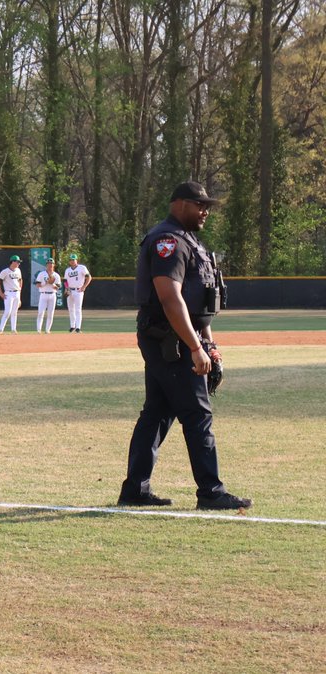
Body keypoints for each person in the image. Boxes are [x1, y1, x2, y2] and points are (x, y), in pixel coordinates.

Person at [119, 181, 251, 510]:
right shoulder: (168, 241)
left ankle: (135, 489)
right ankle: (211, 491)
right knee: (197, 414)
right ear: (178, 204)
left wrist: (210, 343)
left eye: (207, 205)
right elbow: (169, 297)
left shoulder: (190, 241)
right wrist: (195, 347)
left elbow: (199, 302)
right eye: (199, 204)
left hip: (180, 335)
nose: (205, 210)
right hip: (169, 338)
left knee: (158, 412)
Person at [0, 255, 24, 334]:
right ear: (13, 262)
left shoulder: (18, 270)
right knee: (7, 312)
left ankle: (13, 329)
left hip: (17, 293)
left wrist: (20, 293)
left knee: (14, 312)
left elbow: (20, 280)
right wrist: (1, 293)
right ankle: (1, 330)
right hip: (8, 293)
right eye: (17, 262)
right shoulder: (5, 271)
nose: (19, 263)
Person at [64, 254, 92, 332]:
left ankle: (78, 327)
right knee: (70, 309)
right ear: (69, 261)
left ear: (77, 260)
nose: (72, 261)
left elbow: (89, 277)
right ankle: (72, 326)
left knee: (78, 309)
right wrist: (66, 288)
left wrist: (84, 287)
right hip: (70, 290)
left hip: (78, 290)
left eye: (74, 259)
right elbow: (65, 281)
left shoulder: (81, 268)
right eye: (71, 260)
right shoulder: (67, 270)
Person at [35, 257, 62, 334]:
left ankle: (47, 330)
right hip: (43, 294)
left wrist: (52, 283)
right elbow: (37, 284)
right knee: (41, 312)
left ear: (54, 265)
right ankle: (39, 330)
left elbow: (58, 287)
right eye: (49, 263)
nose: (50, 265)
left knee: (50, 313)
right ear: (46, 265)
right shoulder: (41, 274)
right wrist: (46, 283)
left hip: (52, 295)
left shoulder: (56, 275)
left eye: (51, 263)